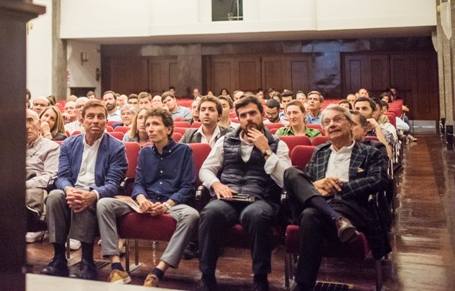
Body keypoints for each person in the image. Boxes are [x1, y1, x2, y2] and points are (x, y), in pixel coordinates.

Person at [283, 106, 391, 291]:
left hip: (352, 207)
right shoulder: (320, 151)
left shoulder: (369, 152)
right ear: (323, 129)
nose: (332, 125)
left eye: (337, 120)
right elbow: (308, 182)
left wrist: (337, 188)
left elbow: (380, 180)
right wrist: (318, 184)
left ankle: (303, 285)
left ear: (349, 124)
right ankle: (336, 219)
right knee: (291, 172)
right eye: (327, 122)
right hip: (323, 206)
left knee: (310, 215)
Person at [197, 94, 291, 291]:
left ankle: (260, 278)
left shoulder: (277, 144)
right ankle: (207, 277)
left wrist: (266, 150)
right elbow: (205, 169)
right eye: (243, 115)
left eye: (253, 113)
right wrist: (216, 185)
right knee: (210, 213)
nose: (248, 118)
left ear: (262, 115)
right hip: (229, 197)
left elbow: (285, 179)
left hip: (261, 199)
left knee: (255, 215)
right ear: (238, 118)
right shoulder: (225, 141)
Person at [98, 108, 200, 287]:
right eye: (147, 125)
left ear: (168, 129)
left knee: (192, 215)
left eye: (155, 124)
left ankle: (158, 271)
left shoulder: (184, 152)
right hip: (146, 201)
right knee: (104, 204)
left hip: (173, 203)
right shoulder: (145, 152)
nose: (150, 129)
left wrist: (167, 205)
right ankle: (116, 266)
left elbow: (187, 187)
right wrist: (141, 199)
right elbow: (138, 183)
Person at [41, 100, 127, 280]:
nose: (95, 121)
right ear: (82, 120)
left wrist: (92, 194)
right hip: (72, 191)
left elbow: (113, 184)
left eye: (100, 117)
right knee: (54, 197)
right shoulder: (68, 144)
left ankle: (87, 261)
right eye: (91, 116)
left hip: (97, 194)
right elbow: (62, 176)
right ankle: (58, 259)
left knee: (86, 198)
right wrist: (68, 189)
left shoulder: (117, 147)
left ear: (106, 120)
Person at [25, 109, 60, 243]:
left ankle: (36, 227)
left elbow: (50, 176)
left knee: (32, 193)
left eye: (30, 120)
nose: (26, 126)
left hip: (35, 186)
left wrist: (25, 184)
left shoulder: (51, 147)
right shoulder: (11, 146)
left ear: (39, 123)